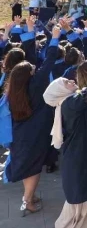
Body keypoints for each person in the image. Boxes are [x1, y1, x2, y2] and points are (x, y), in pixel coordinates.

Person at [44, 57, 87, 228]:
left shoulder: (68, 102)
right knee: (82, 192)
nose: (71, 80)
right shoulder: (70, 103)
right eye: (66, 82)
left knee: (86, 189)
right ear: (60, 91)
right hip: (79, 156)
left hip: (80, 154)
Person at [3, 17, 54, 217]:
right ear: (28, 75)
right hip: (35, 134)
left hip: (20, 133)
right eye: (32, 69)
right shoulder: (34, 85)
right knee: (33, 168)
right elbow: (49, 61)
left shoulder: (14, 90)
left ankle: (29, 196)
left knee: (27, 166)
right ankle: (27, 201)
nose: (34, 69)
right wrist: (55, 37)